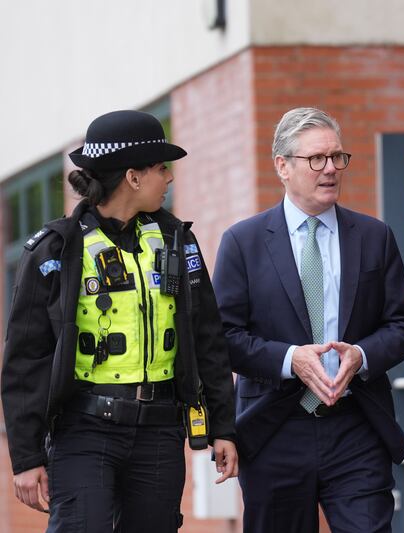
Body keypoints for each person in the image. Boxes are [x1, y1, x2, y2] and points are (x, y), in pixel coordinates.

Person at [1, 110, 238, 531]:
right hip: (83, 433)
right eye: (161, 167)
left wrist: (223, 427)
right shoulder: (55, 250)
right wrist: (27, 456)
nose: (168, 178)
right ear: (133, 176)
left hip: (161, 433)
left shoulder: (177, 240)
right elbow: (26, 358)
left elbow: (208, 339)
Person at [212, 106, 404, 532]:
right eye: (316, 159)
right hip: (274, 430)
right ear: (282, 166)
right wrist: (291, 359)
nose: (330, 169)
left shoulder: (373, 236)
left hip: (356, 426)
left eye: (337, 158)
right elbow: (223, 338)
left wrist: (361, 355)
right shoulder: (243, 242)